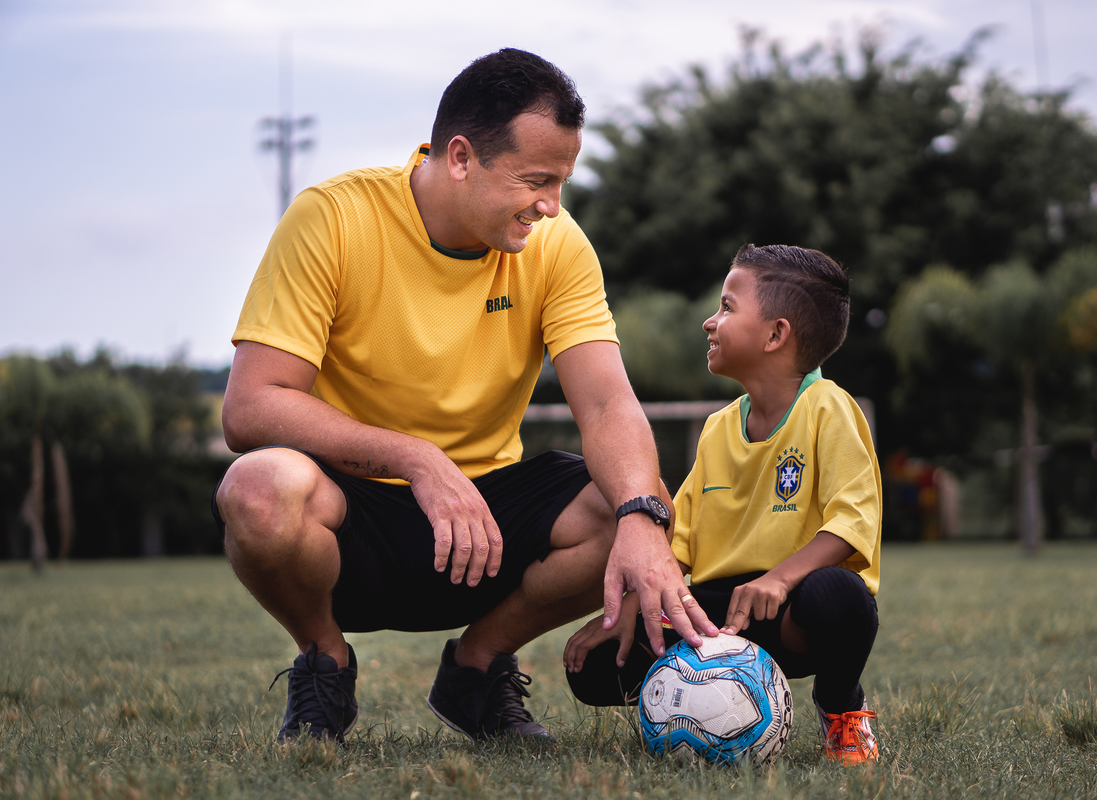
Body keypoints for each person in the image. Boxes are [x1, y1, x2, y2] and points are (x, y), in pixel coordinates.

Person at [212, 48, 717, 744]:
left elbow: (606, 405)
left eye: (562, 182)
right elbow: (252, 407)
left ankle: (476, 671)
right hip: (350, 516)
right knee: (258, 488)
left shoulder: (557, 243)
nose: (551, 205)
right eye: (536, 180)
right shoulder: (333, 217)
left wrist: (642, 514)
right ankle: (324, 662)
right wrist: (417, 459)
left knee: (639, 502)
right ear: (459, 158)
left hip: (486, 523)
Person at [563, 244, 883, 765]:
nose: (711, 322)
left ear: (777, 335)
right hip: (713, 617)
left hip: (793, 613)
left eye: (728, 307)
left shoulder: (830, 408)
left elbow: (853, 522)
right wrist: (630, 609)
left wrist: (779, 580)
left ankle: (840, 705)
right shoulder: (717, 429)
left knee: (841, 598)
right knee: (596, 663)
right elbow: (680, 538)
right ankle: (694, 708)